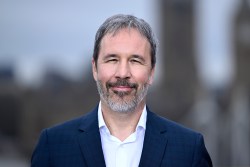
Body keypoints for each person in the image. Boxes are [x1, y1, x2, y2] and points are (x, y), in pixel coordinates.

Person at [31, 14, 212, 167]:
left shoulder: (189, 150)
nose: (123, 73)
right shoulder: (53, 146)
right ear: (95, 68)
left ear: (151, 72)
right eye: (112, 60)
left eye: (135, 60)